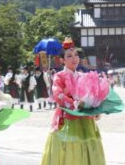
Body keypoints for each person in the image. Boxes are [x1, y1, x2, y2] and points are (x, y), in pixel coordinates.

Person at [41, 37, 105, 165]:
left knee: (87, 149)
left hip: (85, 120)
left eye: (76, 55)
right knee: (70, 150)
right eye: (69, 56)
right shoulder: (59, 76)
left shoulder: (82, 76)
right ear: (62, 60)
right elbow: (58, 95)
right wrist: (74, 104)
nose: (74, 58)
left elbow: (90, 96)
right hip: (67, 118)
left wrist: (95, 109)